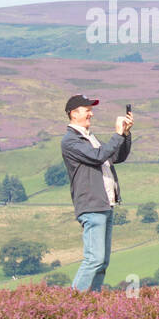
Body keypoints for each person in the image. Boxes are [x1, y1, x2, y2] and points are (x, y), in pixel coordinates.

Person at [61, 94, 133, 292]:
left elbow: (116, 156)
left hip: (105, 205)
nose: (91, 114)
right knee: (94, 259)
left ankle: (92, 303)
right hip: (92, 205)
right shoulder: (71, 141)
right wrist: (117, 135)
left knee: (102, 262)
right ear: (74, 114)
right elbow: (98, 156)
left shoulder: (89, 138)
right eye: (87, 110)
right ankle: (73, 302)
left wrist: (125, 135)